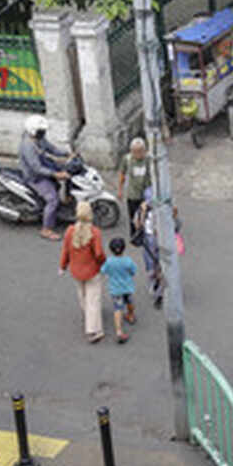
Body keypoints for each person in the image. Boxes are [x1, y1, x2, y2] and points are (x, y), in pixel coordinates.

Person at [59, 200, 107, 343]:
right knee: (93, 299)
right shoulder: (95, 233)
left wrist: (62, 266)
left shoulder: (70, 231)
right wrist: (103, 263)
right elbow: (99, 254)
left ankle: (88, 316)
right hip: (91, 270)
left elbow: (65, 251)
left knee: (83, 295)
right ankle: (93, 330)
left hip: (76, 270)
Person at [19, 114, 71, 241]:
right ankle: (46, 229)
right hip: (35, 177)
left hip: (45, 167)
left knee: (67, 175)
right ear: (33, 130)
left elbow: (51, 149)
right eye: (42, 131)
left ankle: (65, 202)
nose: (44, 133)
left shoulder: (39, 139)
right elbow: (36, 168)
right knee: (52, 199)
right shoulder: (28, 146)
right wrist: (55, 174)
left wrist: (67, 153)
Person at [101, 237, 137, 344]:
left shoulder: (109, 262)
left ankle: (119, 331)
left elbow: (103, 271)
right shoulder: (128, 261)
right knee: (130, 302)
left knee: (118, 308)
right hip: (127, 287)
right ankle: (130, 315)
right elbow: (133, 271)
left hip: (116, 289)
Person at [116, 137, 150, 241]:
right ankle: (135, 235)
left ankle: (146, 234)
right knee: (133, 216)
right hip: (133, 194)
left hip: (146, 193)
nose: (138, 154)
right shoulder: (127, 159)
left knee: (147, 216)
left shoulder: (149, 159)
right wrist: (120, 190)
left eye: (140, 151)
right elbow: (122, 174)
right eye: (135, 151)